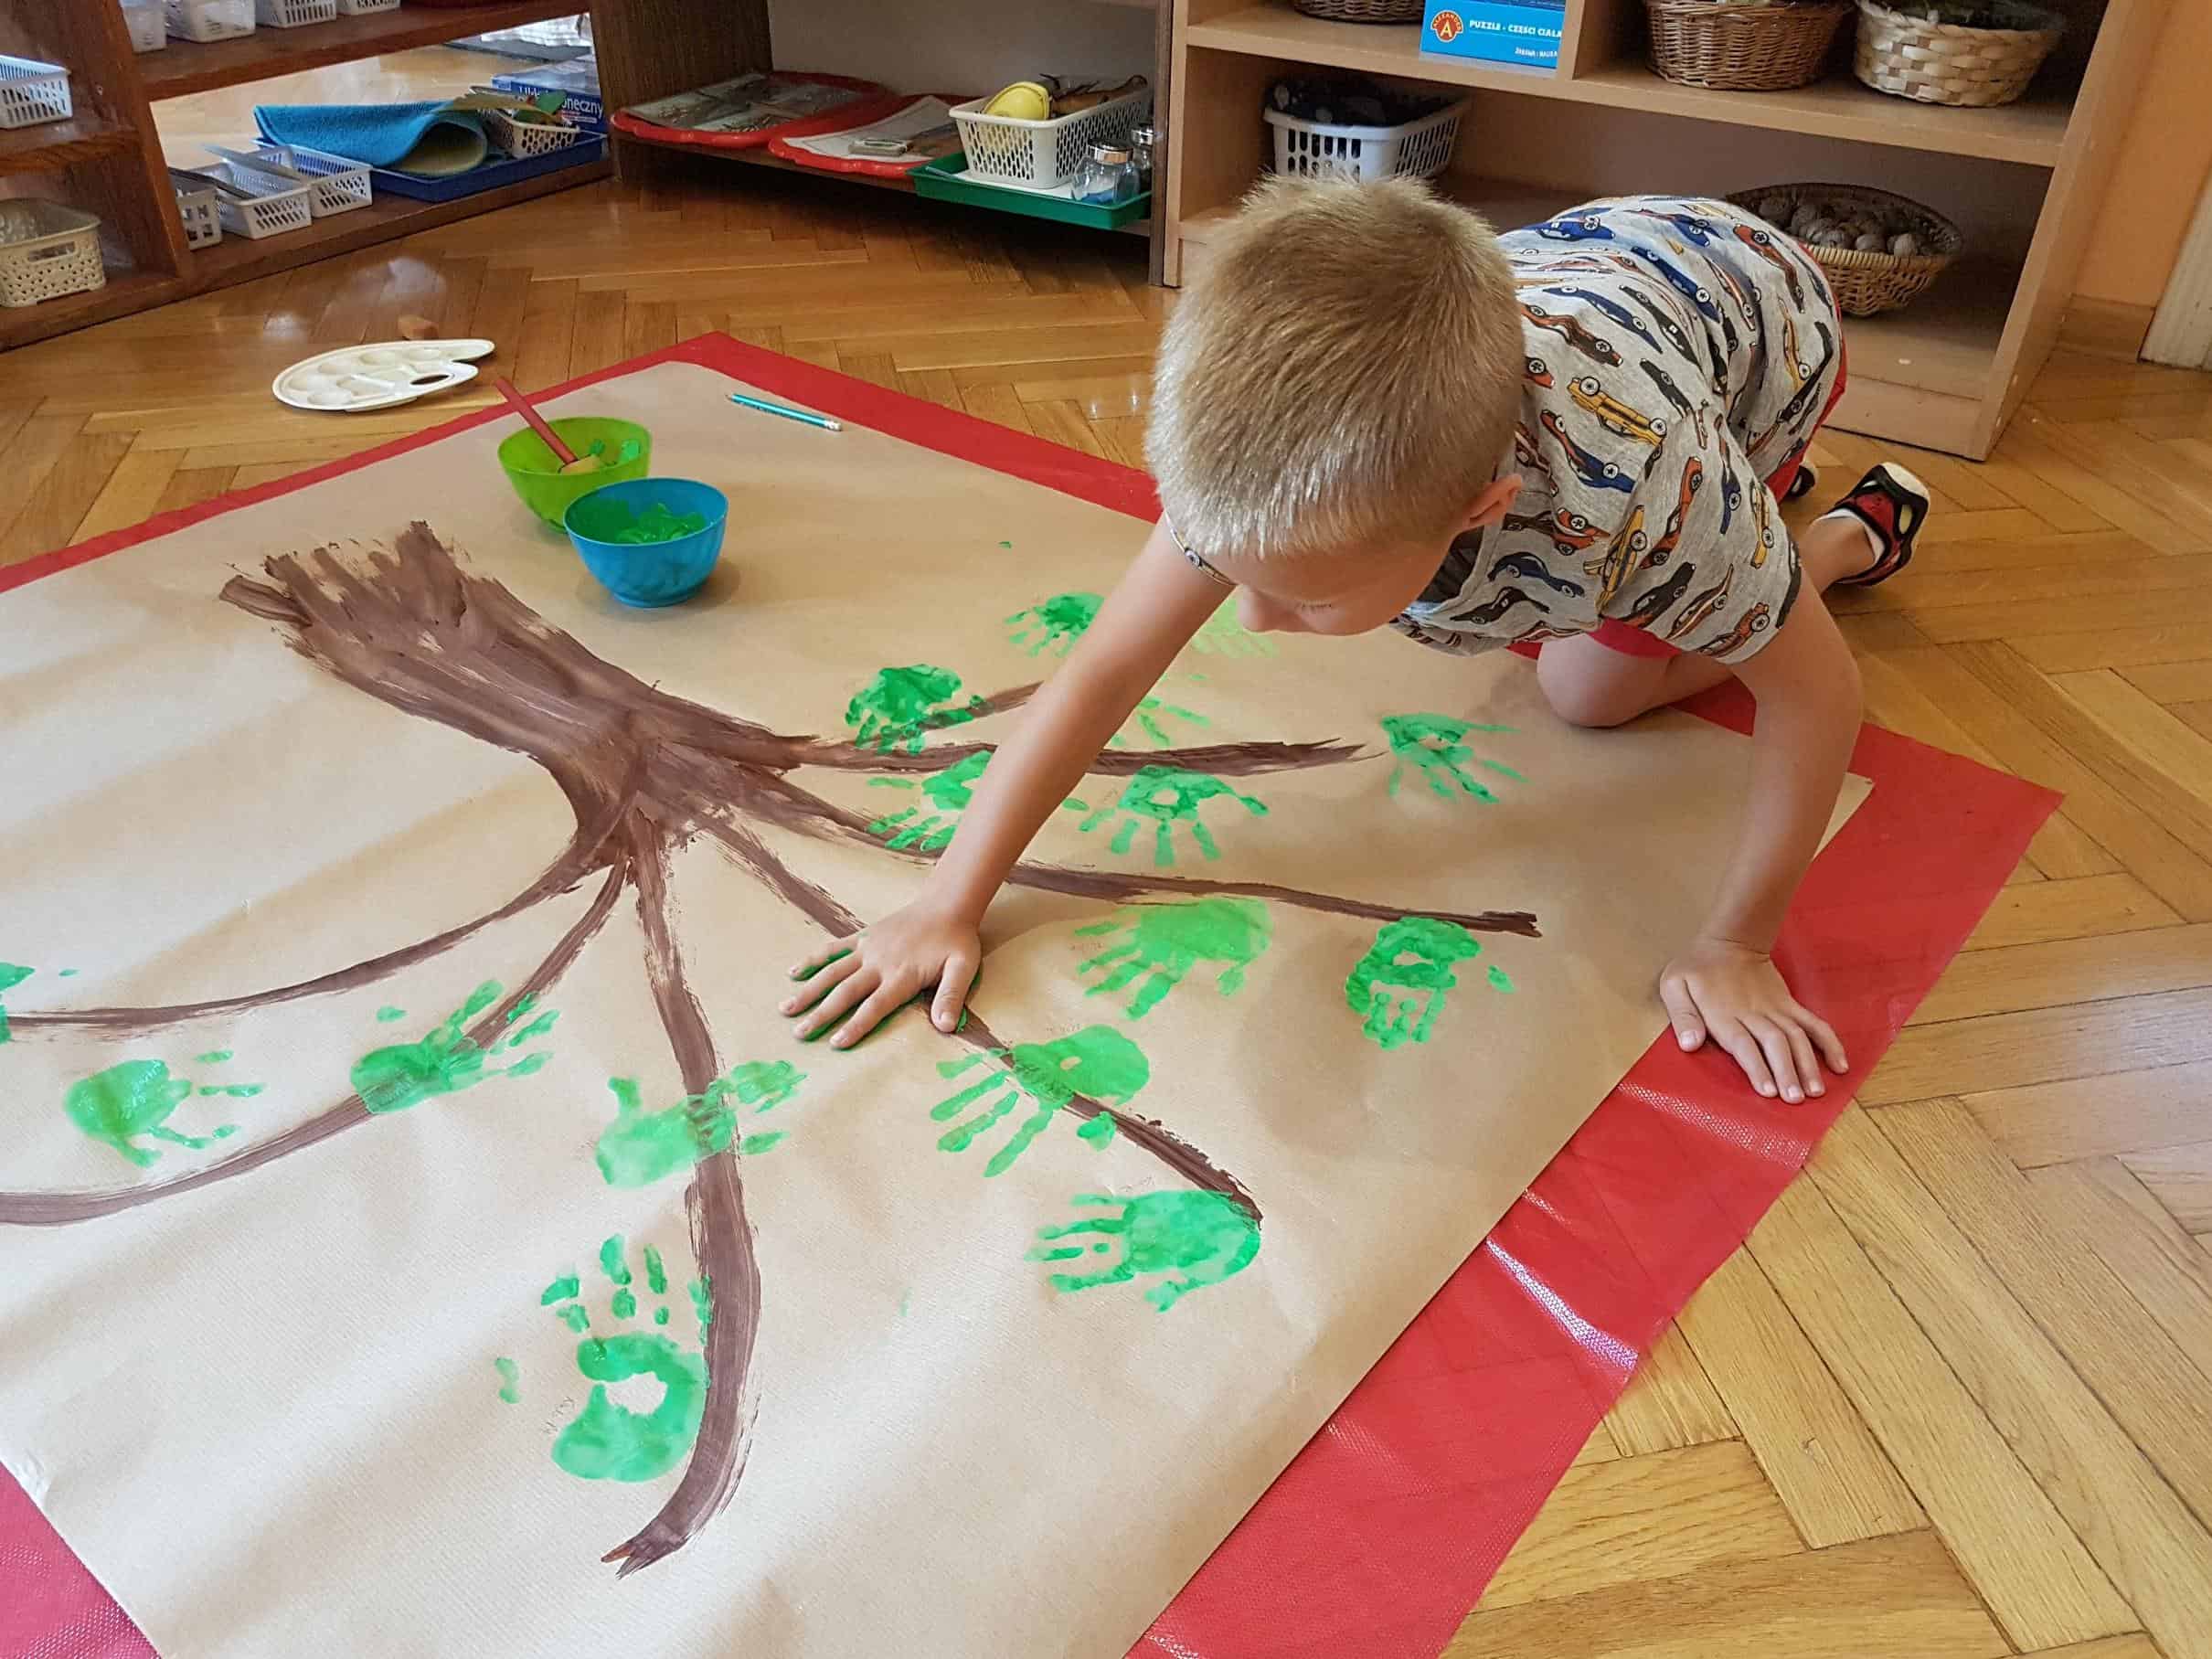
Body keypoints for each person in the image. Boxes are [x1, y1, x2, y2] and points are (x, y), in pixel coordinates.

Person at [780, 175, 1930, 1106]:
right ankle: (1773, 537)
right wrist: (948, 898)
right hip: (1597, 269)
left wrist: (1736, 943)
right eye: (1230, 570)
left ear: (1479, 511)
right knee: (1604, 657)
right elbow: (1104, 670)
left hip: (1764, 327)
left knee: (1589, 694)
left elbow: (1816, 697)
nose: (1249, 620)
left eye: (1307, 598)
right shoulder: (1258, 470)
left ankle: (1828, 540)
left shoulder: (1650, 501)